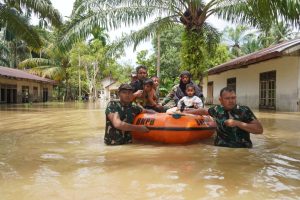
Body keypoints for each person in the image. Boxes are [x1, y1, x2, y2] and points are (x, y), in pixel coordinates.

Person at [184, 87, 263, 148]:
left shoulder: (244, 110)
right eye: (227, 98)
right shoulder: (217, 109)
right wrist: (186, 112)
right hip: (221, 150)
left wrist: (237, 123)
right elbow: (204, 111)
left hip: (242, 150)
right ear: (220, 100)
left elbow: (259, 130)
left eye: (233, 98)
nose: (231, 101)